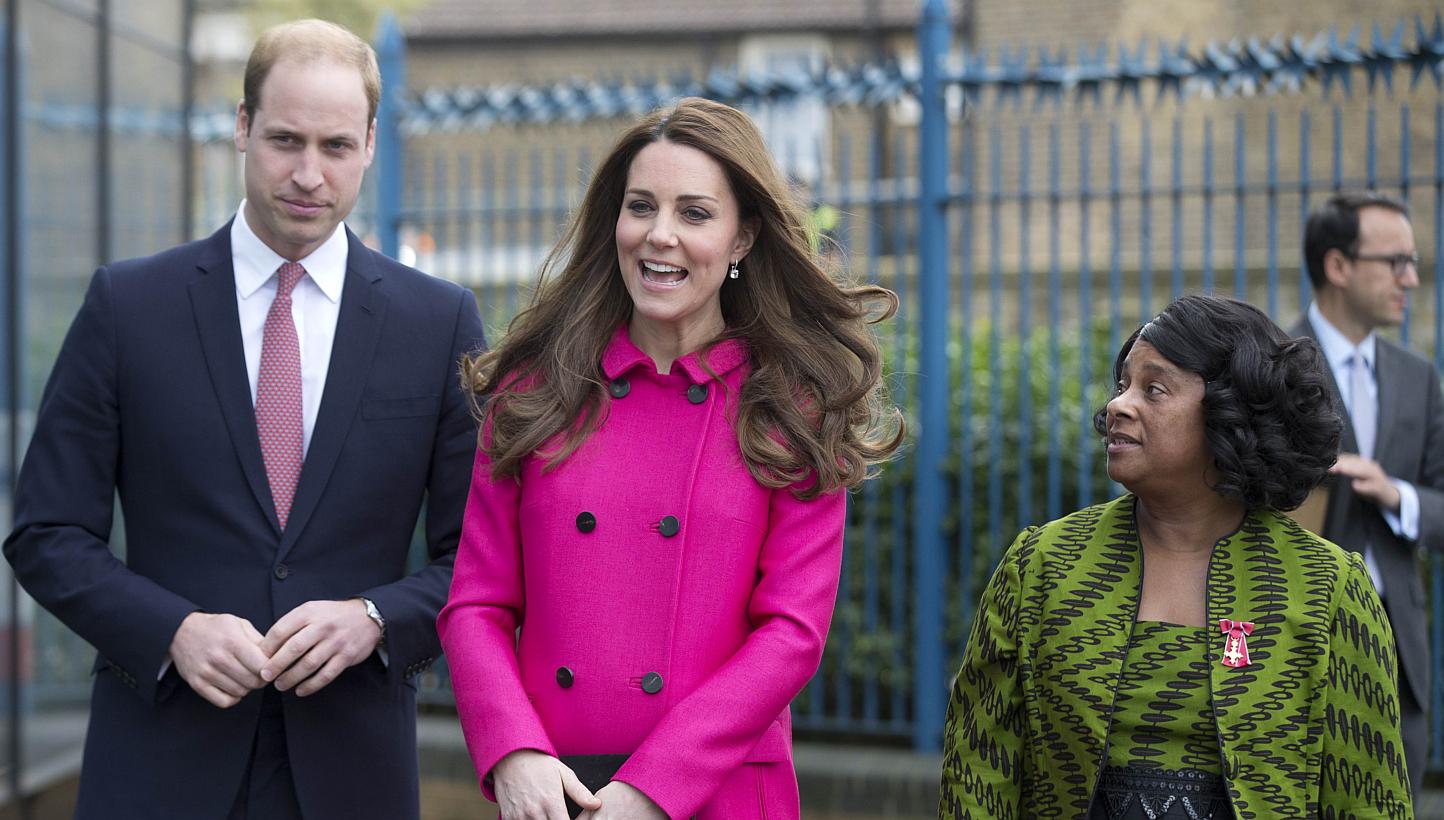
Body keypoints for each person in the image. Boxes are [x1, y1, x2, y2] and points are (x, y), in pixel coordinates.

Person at [3, 19, 485, 820]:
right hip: (157, 766)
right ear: (240, 127)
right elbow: (45, 533)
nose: (308, 174)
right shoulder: (128, 307)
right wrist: (171, 631)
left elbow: (479, 556)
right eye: (284, 140)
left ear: (370, 143)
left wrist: (376, 619)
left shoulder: (437, 324)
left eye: (335, 147)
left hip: (353, 771)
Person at [437, 96, 902, 820]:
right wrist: (512, 750)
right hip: (555, 791)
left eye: (694, 213)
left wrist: (655, 786)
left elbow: (791, 634)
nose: (660, 237)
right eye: (641, 207)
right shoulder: (534, 390)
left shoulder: (792, 405)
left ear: (743, 238)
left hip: (716, 790)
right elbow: (477, 603)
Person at [940, 294, 1412, 819]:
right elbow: (977, 781)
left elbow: (1369, 800)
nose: (1118, 405)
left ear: (1230, 414)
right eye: (1122, 386)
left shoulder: (1327, 587)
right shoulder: (1043, 567)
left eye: (1154, 388)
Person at [1289, 191, 1442, 799]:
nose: (1411, 278)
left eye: (1413, 261)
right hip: (1299, 636)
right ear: (1338, 266)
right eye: (1396, 261)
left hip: (1398, 649)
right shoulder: (1271, 363)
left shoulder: (1419, 377)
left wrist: (1394, 493)